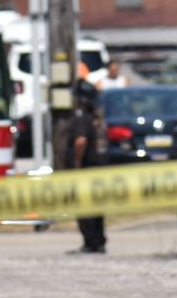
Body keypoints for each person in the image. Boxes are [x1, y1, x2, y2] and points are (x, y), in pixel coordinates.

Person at [68, 79, 106, 255]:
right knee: (97, 206)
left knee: (84, 207)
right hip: (99, 168)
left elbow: (80, 141)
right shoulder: (96, 119)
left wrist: (76, 161)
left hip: (86, 168)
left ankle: (90, 242)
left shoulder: (82, 119)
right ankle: (98, 241)